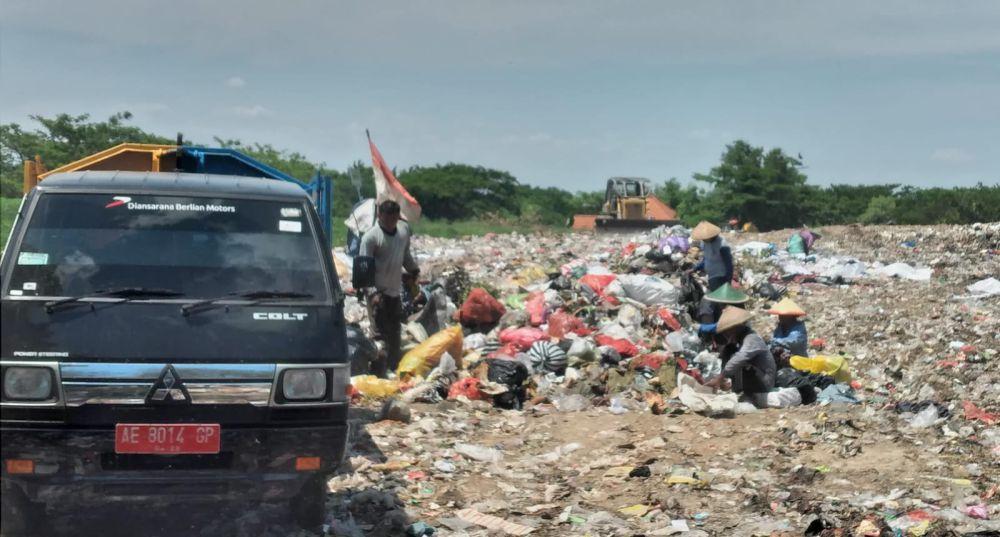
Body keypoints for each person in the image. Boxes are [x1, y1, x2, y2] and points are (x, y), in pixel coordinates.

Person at [360, 200, 420, 378]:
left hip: (395, 291)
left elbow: (405, 254)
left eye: (394, 219)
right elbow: (364, 269)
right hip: (378, 293)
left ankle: (394, 368)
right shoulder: (371, 238)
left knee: (395, 333)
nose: (391, 222)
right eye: (388, 219)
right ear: (380, 216)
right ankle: (378, 372)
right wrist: (371, 294)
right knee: (379, 335)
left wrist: (413, 270)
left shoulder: (402, 232)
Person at [704, 306, 777, 409]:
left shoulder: (751, 338)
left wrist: (720, 377)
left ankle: (747, 395)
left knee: (739, 361)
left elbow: (739, 358)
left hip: (765, 382)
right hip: (757, 379)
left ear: (736, 328)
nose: (726, 334)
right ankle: (732, 387)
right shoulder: (740, 342)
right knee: (729, 350)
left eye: (728, 331)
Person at [689, 221, 733, 292]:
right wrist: (695, 269)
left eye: (705, 238)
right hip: (711, 276)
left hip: (721, 276)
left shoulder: (722, 244)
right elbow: (706, 260)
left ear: (711, 236)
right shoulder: (705, 243)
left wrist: (728, 280)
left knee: (719, 299)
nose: (703, 239)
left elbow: (729, 263)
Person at [767, 298, 808, 366]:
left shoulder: (798, 328)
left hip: (798, 363)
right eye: (779, 315)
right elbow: (775, 342)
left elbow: (793, 341)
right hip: (783, 361)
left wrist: (773, 341)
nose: (780, 317)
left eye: (783, 315)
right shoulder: (780, 327)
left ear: (791, 316)